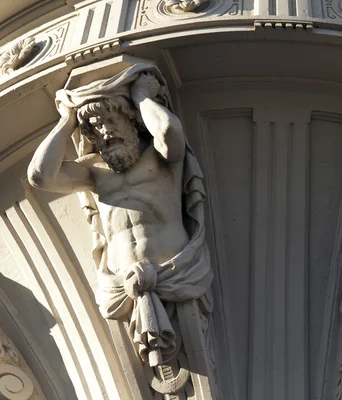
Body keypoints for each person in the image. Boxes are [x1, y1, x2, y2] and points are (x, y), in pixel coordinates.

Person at [27, 64, 212, 367]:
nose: (104, 132)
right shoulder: (94, 171)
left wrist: (141, 97)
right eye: (95, 128)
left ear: (131, 121)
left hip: (176, 273)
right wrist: (68, 119)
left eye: (110, 121)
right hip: (119, 288)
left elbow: (168, 131)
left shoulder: (160, 157)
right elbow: (40, 176)